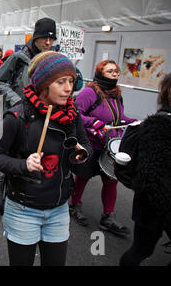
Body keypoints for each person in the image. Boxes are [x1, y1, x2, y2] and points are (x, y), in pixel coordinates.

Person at [0, 51, 92, 266]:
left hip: (59, 209)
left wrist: (81, 154)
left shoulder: (72, 114)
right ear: (44, 85)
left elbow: (86, 145)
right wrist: (23, 164)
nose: (69, 88)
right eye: (60, 82)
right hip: (24, 209)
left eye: (71, 81)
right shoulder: (17, 116)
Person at [70, 60, 137, 237]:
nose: (115, 74)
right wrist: (94, 122)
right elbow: (76, 114)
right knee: (83, 176)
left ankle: (108, 217)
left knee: (111, 181)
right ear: (100, 73)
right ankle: (74, 205)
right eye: (110, 71)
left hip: (109, 146)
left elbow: (119, 118)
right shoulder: (89, 93)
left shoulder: (116, 95)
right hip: (91, 144)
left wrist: (133, 122)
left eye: (116, 71)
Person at [120, 72, 171, 266]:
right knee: (141, 250)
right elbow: (152, 177)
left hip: (163, 203)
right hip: (154, 207)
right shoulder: (162, 123)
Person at [0, 17, 57, 109]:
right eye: (44, 38)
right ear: (36, 38)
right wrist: (15, 99)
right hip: (18, 114)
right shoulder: (18, 58)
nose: (48, 42)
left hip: (42, 114)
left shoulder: (54, 61)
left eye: (51, 39)